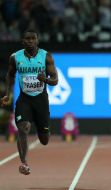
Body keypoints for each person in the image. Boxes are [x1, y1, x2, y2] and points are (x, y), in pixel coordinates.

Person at [0, 29, 58, 175]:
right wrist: (7, 94)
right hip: (24, 99)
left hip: (41, 99)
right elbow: (10, 75)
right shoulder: (15, 57)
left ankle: (43, 129)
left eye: (33, 38)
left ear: (37, 40)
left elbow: (55, 80)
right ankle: (24, 163)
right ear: (23, 41)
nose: (30, 41)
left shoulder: (46, 56)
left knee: (44, 139)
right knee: (23, 127)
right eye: (27, 39)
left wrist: (45, 79)